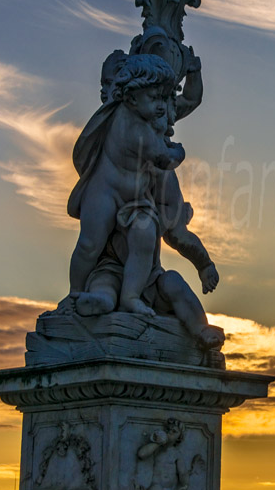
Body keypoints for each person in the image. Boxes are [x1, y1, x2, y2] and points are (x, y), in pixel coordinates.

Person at [62, 54, 185, 316]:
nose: (162, 106)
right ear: (130, 98)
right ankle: (75, 292)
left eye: (164, 98)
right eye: (154, 98)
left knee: (144, 239)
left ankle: (130, 295)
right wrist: (179, 153)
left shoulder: (144, 120)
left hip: (136, 200)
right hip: (104, 192)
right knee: (89, 244)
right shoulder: (132, 126)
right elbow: (164, 158)